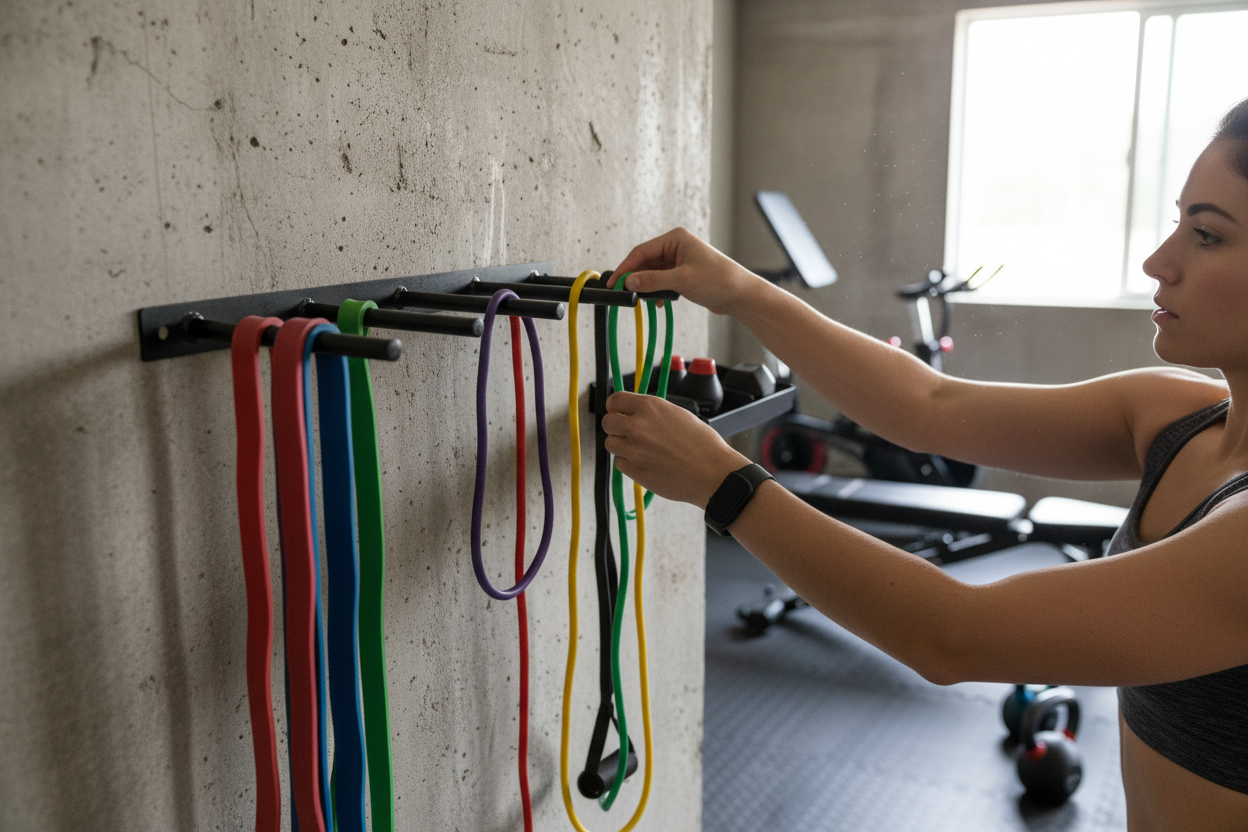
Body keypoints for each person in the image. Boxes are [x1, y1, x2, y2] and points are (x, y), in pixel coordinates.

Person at [601, 97, 1248, 831]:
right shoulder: (1178, 414)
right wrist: (742, 290)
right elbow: (930, 406)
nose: (1158, 261)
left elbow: (951, 634)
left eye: (1206, 235)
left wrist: (725, 485)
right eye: (1177, 223)